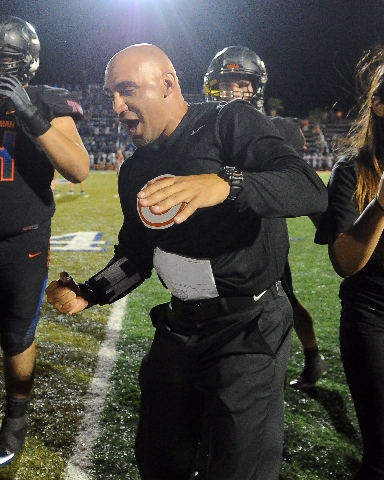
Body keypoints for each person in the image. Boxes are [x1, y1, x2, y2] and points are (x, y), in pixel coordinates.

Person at [46, 43, 327, 480]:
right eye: (111, 96)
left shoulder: (229, 121)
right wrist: (91, 293)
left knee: (237, 468)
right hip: (180, 327)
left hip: (247, 327)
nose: (117, 106)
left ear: (168, 84)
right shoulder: (136, 169)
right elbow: (138, 254)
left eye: (126, 90)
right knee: (160, 458)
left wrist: (225, 184)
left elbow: (307, 187)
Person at [203, 45, 327, 389]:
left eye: (241, 82)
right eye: (225, 83)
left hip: (263, 231)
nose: (232, 90)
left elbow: (293, 180)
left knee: (281, 296)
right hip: (219, 232)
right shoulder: (205, 125)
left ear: (257, 87)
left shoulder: (278, 128)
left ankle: (310, 355)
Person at [0, 16, 89, 465]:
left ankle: (15, 417)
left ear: (28, 63)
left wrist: (30, 114)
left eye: (9, 60)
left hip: (22, 238)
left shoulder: (46, 100)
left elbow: (78, 168)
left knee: (16, 333)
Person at [315, 46, 384, 479]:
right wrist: (380, 206)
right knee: (380, 459)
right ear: (379, 105)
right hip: (373, 317)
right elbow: (344, 262)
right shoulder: (351, 171)